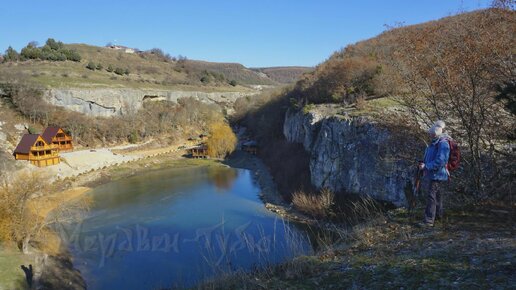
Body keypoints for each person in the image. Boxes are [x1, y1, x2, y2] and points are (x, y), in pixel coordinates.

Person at [418, 120, 450, 227]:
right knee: (437, 195)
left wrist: (426, 166)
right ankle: (438, 217)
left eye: (431, 133)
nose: (430, 134)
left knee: (431, 196)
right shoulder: (436, 143)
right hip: (435, 174)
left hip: (437, 174)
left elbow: (441, 161)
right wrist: (424, 163)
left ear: (436, 133)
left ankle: (428, 221)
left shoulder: (443, 144)